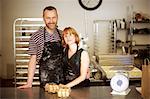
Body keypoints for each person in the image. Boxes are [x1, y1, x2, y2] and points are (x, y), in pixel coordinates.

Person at [18, 6, 64, 88]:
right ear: (43, 18)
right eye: (48, 18)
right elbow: (33, 59)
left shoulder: (63, 35)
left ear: (57, 17)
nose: (51, 21)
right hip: (45, 81)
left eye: (54, 17)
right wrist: (29, 83)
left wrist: (85, 70)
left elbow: (71, 55)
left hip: (64, 81)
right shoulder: (35, 36)